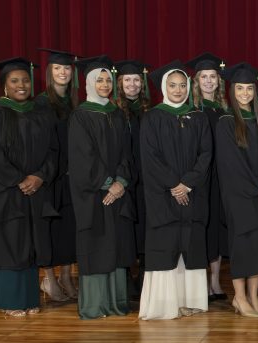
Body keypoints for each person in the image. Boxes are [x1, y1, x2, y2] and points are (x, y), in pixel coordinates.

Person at [0, 57, 58, 317]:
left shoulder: (41, 113)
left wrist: (40, 176)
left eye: (25, 80)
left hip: (34, 189)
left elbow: (54, 150)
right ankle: (10, 302)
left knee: (31, 244)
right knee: (9, 244)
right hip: (6, 193)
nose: (21, 85)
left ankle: (30, 298)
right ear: (4, 86)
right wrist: (19, 179)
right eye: (14, 81)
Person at [137, 61, 212, 320]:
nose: (178, 90)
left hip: (193, 193)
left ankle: (190, 302)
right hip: (163, 196)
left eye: (182, 85)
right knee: (165, 245)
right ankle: (164, 305)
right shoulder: (152, 117)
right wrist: (174, 185)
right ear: (163, 87)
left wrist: (188, 183)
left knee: (191, 245)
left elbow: (206, 154)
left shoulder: (199, 117)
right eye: (173, 85)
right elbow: (150, 157)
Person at [67, 56, 136, 319]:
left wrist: (121, 182)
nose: (105, 84)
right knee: (97, 246)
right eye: (100, 80)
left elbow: (126, 155)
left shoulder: (117, 114)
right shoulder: (81, 116)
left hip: (117, 193)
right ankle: (95, 306)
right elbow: (83, 158)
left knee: (117, 247)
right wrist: (108, 184)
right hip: (93, 196)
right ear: (88, 83)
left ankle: (117, 303)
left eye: (108, 80)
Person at [216, 63, 258, 318]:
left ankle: (254, 297)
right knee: (243, 247)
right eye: (240, 88)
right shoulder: (226, 122)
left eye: (249, 88)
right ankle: (239, 298)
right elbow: (231, 164)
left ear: (256, 90)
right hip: (239, 197)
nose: (245, 93)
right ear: (232, 91)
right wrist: (256, 188)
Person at [34, 48, 81, 302]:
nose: (63, 72)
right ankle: (49, 280)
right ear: (50, 73)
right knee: (51, 229)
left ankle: (66, 277)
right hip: (52, 176)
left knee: (69, 228)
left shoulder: (75, 102)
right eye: (57, 69)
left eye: (66, 68)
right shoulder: (42, 103)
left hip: (72, 176)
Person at [185, 52, 230, 303]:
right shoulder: (191, 111)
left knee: (218, 227)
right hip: (199, 178)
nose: (209, 81)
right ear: (197, 80)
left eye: (213, 76)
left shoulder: (225, 109)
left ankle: (215, 280)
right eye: (204, 76)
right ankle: (200, 280)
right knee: (201, 225)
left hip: (221, 177)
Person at [111, 59, 152, 299]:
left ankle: (145, 278)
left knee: (145, 229)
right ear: (120, 83)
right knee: (125, 230)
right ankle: (126, 280)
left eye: (137, 80)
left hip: (146, 181)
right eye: (127, 80)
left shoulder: (150, 110)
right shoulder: (113, 111)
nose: (132, 84)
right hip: (124, 180)